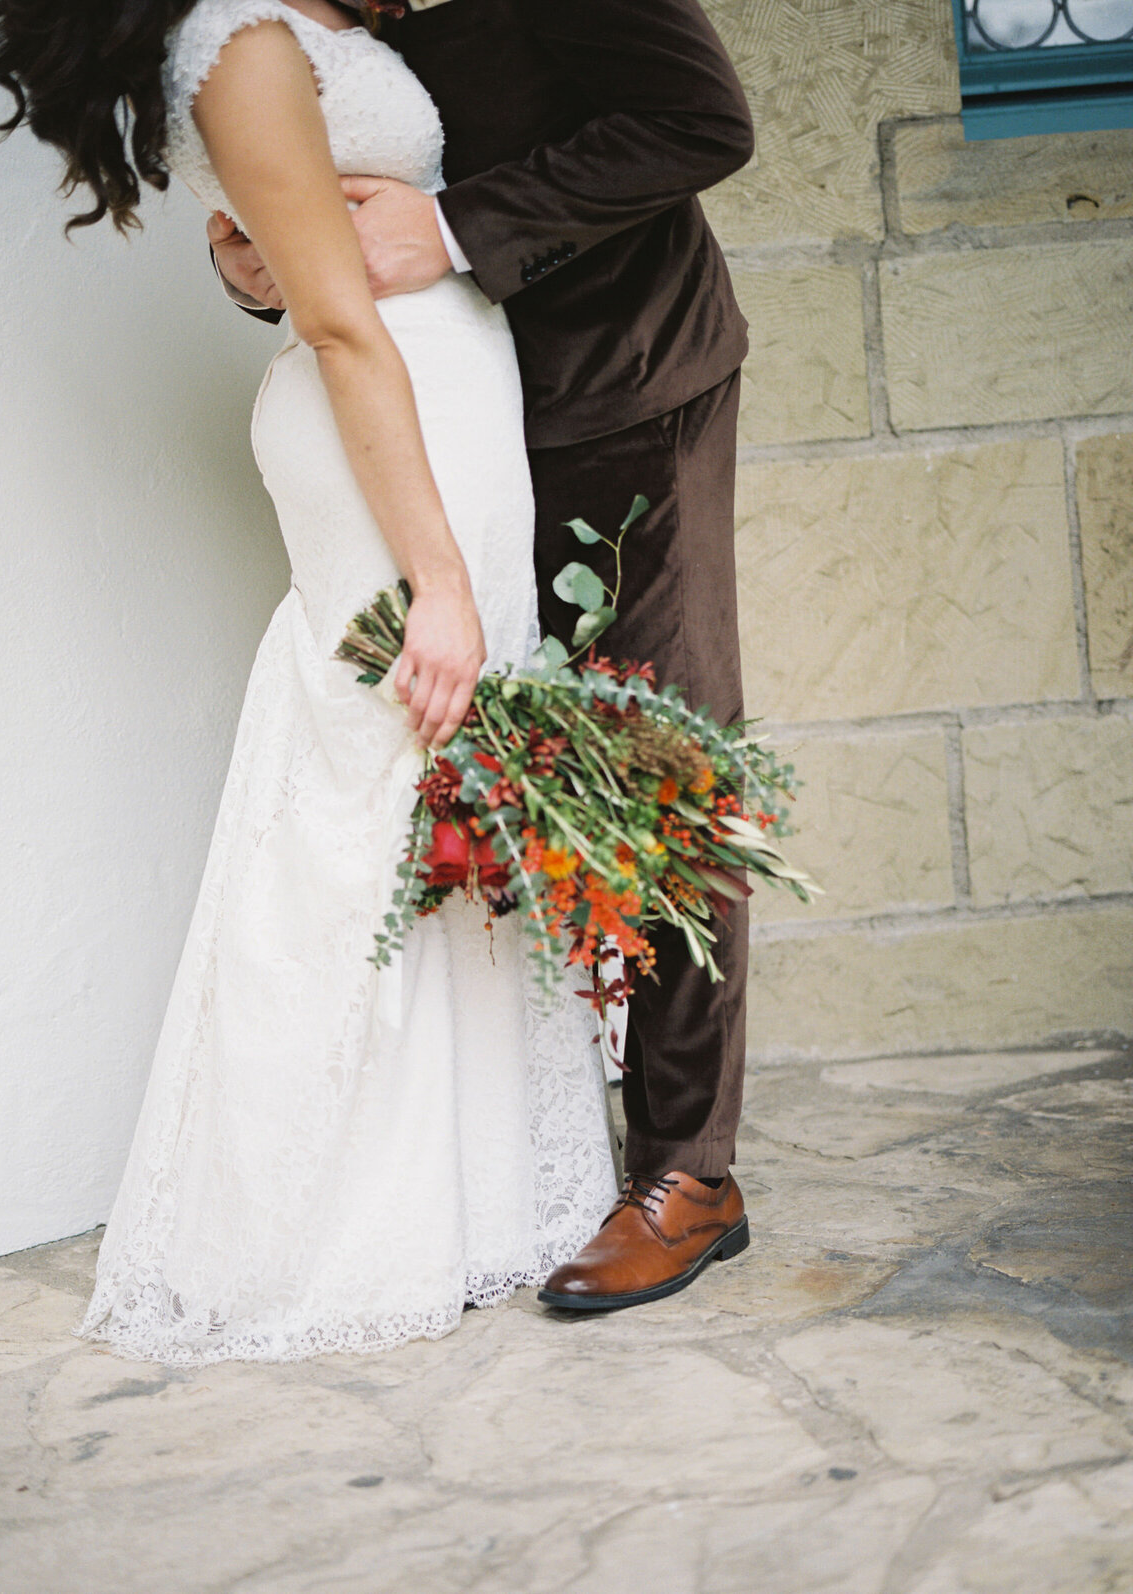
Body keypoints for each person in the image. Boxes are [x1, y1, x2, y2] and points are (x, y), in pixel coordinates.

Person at [0, 0, 622, 1362]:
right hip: (387, 433)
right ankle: (313, 1225)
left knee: (450, 792)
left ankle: (469, 1195)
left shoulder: (291, 23)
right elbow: (337, 323)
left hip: (442, 407)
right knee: (371, 795)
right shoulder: (240, 40)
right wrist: (435, 573)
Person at [212, 0, 759, 1312]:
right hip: (446, 428)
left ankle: (690, 1171)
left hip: (617, 395)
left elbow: (703, 121)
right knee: (483, 787)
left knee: (655, 764)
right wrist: (258, 261)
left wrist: (455, 231)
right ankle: (517, 1158)